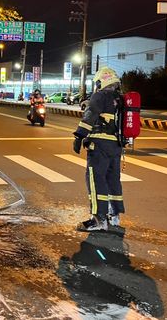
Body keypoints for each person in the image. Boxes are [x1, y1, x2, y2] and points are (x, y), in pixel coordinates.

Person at [72, 67, 124, 232]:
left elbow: (91, 116)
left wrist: (79, 136)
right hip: (116, 147)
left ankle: (98, 219)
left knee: (96, 181)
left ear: (102, 81)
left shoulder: (100, 96)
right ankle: (114, 217)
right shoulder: (120, 98)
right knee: (113, 180)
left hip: (100, 146)